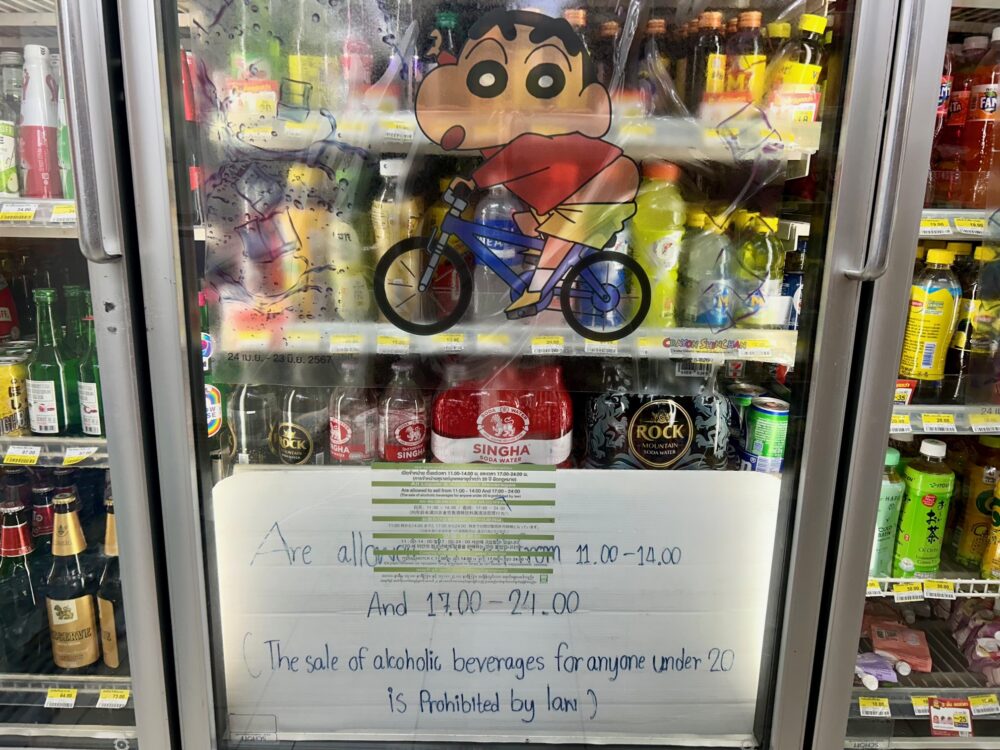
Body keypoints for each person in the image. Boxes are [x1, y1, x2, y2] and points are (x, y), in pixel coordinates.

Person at [414, 9, 640, 317]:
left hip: (604, 188)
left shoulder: (536, 138)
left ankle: (535, 293)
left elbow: (510, 162)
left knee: (556, 239)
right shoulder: (520, 135)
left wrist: (472, 180)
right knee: (528, 225)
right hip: (581, 190)